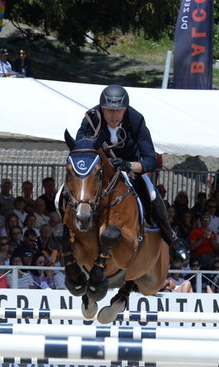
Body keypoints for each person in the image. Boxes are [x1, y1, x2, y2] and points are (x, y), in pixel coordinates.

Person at [76, 84, 189, 264]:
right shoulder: (91, 119)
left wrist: (128, 165)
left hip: (130, 168)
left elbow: (150, 160)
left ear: (125, 110)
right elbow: (80, 148)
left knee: (152, 193)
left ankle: (172, 238)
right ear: (101, 108)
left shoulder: (136, 120)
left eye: (118, 111)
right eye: (109, 110)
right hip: (99, 171)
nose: (114, 115)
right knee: (71, 189)